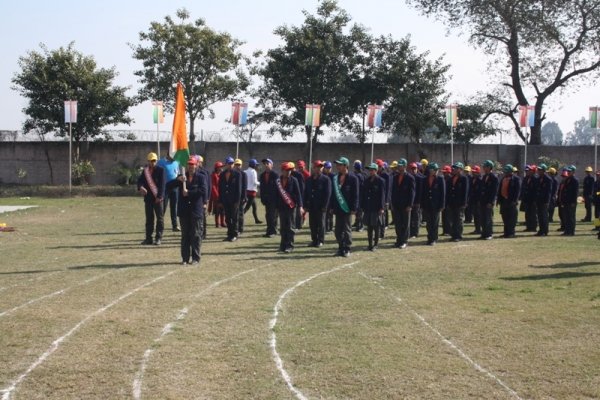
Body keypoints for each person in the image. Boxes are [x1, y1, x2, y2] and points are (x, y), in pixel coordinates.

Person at [177, 157, 208, 265]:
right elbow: (169, 185)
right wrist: (178, 179)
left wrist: (189, 192)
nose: (191, 167)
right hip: (184, 211)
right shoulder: (182, 177)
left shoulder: (201, 177)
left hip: (196, 210)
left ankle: (195, 258)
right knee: (185, 235)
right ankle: (185, 258)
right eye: (189, 164)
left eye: (192, 164)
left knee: (196, 235)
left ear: (196, 165)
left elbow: (203, 190)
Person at [332, 157, 359, 257]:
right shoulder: (335, 178)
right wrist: (332, 207)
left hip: (347, 208)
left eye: (340, 164)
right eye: (337, 164)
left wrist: (354, 208)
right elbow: (333, 194)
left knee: (347, 229)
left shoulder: (353, 178)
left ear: (345, 166)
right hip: (338, 208)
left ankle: (347, 248)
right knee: (337, 231)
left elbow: (356, 195)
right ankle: (340, 247)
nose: (337, 166)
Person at [137, 152, 165, 245]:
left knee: (160, 219)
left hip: (158, 198)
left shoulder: (161, 170)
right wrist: (141, 187)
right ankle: (148, 238)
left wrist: (159, 196)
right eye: (151, 161)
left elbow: (162, 184)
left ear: (156, 161)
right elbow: (140, 181)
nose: (152, 162)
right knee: (149, 219)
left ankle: (158, 238)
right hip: (148, 198)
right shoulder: (145, 171)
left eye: (154, 161)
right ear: (148, 161)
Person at [276, 162, 303, 253]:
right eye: (287, 170)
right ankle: (283, 245)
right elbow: (276, 194)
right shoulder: (278, 181)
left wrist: (300, 206)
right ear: (282, 170)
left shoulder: (294, 180)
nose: (288, 172)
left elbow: (298, 194)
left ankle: (290, 245)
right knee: (283, 227)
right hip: (281, 207)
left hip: (291, 207)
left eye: (290, 170)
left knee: (290, 227)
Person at [304, 160, 331, 247]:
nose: (319, 169)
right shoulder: (309, 180)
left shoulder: (326, 179)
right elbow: (306, 193)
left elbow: (327, 194)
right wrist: (305, 205)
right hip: (311, 205)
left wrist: (325, 206)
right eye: (317, 167)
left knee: (321, 224)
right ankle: (314, 240)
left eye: (321, 167)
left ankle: (320, 240)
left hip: (321, 206)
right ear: (313, 168)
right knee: (312, 224)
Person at [390, 159, 415, 249]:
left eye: (401, 166)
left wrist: (410, 205)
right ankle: (399, 240)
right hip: (397, 204)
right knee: (398, 224)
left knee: (405, 224)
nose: (399, 167)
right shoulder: (395, 177)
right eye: (398, 166)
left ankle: (404, 241)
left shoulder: (410, 178)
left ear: (405, 166)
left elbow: (412, 193)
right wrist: (392, 203)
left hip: (406, 205)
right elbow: (393, 191)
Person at [361, 163, 385, 251]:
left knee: (376, 226)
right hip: (368, 206)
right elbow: (364, 193)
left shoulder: (380, 181)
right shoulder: (366, 180)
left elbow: (382, 195)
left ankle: (376, 244)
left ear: (376, 170)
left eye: (372, 170)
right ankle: (370, 244)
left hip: (376, 207)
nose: (370, 171)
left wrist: (382, 207)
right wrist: (363, 205)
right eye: (369, 170)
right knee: (369, 227)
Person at [420, 162, 445, 245]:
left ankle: (434, 239)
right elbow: (423, 193)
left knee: (435, 222)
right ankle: (429, 238)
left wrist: (442, 205)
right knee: (429, 223)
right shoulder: (425, 179)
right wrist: (422, 204)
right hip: (427, 204)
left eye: (436, 170)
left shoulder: (440, 179)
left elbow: (443, 193)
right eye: (434, 170)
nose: (435, 171)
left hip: (436, 205)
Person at [219, 156, 242, 242]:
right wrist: (220, 200)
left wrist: (237, 201)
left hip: (234, 200)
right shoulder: (222, 174)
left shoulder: (237, 174)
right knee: (227, 218)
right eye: (229, 163)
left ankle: (235, 234)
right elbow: (220, 188)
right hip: (225, 200)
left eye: (232, 163)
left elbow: (239, 189)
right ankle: (229, 234)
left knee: (234, 218)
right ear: (226, 164)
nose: (230, 165)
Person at [156, 155, 180, 232]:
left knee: (174, 207)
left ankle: (175, 225)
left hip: (174, 188)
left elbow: (178, 173)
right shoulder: (161, 162)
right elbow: (157, 174)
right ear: (169, 155)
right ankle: (160, 225)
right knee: (163, 207)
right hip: (165, 188)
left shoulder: (176, 162)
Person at [446, 162, 469, 242]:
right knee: (452, 219)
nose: (454, 169)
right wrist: (448, 202)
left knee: (459, 219)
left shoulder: (464, 178)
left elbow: (465, 192)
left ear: (460, 169)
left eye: (456, 168)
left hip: (460, 203)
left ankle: (458, 235)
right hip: (452, 203)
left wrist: (464, 203)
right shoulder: (451, 178)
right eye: (454, 168)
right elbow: (448, 191)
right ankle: (453, 235)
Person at [498, 164, 521, 238]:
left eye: (507, 171)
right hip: (503, 201)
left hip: (511, 201)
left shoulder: (516, 179)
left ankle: (511, 233)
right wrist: (499, 200)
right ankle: (506, 232)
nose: (506, 173)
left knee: (512, 218)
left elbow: (517, 191)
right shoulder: (503, 179)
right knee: (505, 217)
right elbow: (500, 189)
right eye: (505, 171)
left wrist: (515, 200)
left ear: (511, 171)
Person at [259, 158, 279, 238]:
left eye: (268, 163)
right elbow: (262, 188)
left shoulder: (275, 175)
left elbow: (278, 187)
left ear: (272, 165)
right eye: (265, 164)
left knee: (273, 215)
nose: (266, 165)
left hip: (274, 199)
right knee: (268, 215)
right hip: (266, 199)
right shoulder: (262, 175)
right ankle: (269, 231)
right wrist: (262, 198)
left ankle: (273, 231)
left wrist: (277, 199)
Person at [479, 160, 499, 240]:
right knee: (482, 218)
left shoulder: (494, 177)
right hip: (483, 201)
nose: (483, 168)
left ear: (489, 167)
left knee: (488, 218)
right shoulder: (484, 177)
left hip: (489, 201)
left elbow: (494, 191)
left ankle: (489, 234)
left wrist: (491, 202)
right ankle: (484, 233)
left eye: (485, 166)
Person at [561, 165, 579, 236]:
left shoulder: (575, 180)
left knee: (571, 217)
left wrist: (573, 202)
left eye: (570, 171)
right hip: (566, 201)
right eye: (568, 171)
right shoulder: (567, 179)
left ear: (573, 172)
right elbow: (564, 191)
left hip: (571, 202)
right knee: (566, 217)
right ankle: (567, 230)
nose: (568, 172)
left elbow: (575, 192)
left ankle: (571, 231)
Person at [535, 164, 552, 236]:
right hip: (539, 200)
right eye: (538, 170)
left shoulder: (548, 179)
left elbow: (548, 191)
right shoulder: (538, 179)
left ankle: (545, 231)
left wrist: (547, 201)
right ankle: (541, 230)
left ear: (544, 170)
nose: (538, 171)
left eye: (540, 170)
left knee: (544, 216)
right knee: (540, 216)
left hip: (544, 201)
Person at [520, 165, 539, 232]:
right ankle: (528, 226)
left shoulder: (535, 179)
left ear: (533, 171)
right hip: (527, 199)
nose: (528, 171)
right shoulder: (526, 178)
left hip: (532, 200)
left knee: (533, 214)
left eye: (530, 170)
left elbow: (536, 190)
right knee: (527, 214)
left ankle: (533, 227)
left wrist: (535, 200)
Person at [243, 159, 262, 224]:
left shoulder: (245, 171)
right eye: (256, 165)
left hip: (246, 191)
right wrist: (261, 183)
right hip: (252, 192)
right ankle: (239, 218)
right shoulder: (254, 172)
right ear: (253, 165)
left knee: (254, 206)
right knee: (247, 207)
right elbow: (255, 182)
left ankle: (256, 220)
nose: (256, 166)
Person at [408, 162, 424, 238]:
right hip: (410, 201)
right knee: (410, 218)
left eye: (415, 168)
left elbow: (421, 191)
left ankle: (415, 233)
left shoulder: (420, 178)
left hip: (417, 201)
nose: (413, 170)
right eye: (412, 169)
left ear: (417, 169)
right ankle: (410, 232)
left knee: (416, 217)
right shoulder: (408, 177)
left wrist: (419, 201)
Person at [209, 161, 225, 228]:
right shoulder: (213, 175)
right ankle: (217, 223)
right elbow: (213, 186)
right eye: (220, 167)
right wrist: (217, 195)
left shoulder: (222, 174)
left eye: (222, 167)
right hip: (216, 195)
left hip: (222, 194)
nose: (222, 168)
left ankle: (222, 222)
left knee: (223, 209)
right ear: (217, 168)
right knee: (217, 210)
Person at [233, 159, 248, 235]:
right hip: (234, 197)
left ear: (241, 165)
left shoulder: (243, 174)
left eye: (239, 165)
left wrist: (244, 197)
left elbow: (245, 187)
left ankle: (240, 228)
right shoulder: (232, 174)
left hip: (241, 197)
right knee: (234, 214)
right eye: (236, 165)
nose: (237, 166)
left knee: (240, 213)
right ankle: (235, 228)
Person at [291, 162, 306, 229]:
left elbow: (302, 186)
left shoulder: (299, 175)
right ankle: (293, 224)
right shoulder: (290, 174)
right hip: (292, 196)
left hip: (299, 195)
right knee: (293, 212)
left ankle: (299, 225)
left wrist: (301, 196)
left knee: (298, 211)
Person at [468, 165, 482, 235]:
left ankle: (479, 229)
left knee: (479, 215)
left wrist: (480, 200)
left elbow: (481, 191)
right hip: (472, 200)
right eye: (472, 172)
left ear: (478, 172)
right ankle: (477, 229)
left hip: (478, 201)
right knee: (475, 216)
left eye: (475, 172)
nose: (473, 173)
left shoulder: (480, 180)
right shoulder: (471, 179)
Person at [352, 160, 366, 232]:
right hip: (358, 195)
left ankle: (360, 226)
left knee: (359, 211)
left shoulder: (360, 175)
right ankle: (357, 223)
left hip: (360, 195)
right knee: (357, 211)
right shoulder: (358, 174)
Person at [441, 165, 453, 236]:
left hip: (449, 201)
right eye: (443, 172)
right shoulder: (443, 179)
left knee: (449, 217)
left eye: (445, 172)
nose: (444, 173)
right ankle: (445, 230)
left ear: (449, 172)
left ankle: (449, 231)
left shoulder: (451, 180)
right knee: (444, 217)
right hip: (444, 201)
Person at [323, 161, 335, 233]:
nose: (328, 169)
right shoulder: (322, 176)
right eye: (327, 168)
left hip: (332, 197)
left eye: (329, 168)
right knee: (325, 213)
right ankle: (325, 227)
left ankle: (330, 227)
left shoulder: (333, 176)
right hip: (324, 197)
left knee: (330, 213)